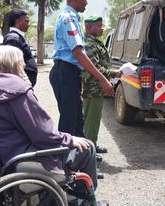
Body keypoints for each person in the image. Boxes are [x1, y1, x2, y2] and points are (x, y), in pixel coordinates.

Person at [0, 45, 99, 191]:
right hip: (21, 159)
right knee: (87, 148)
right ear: (15, 65)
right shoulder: (18, 89)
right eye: (22, 63)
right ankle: (83, 199)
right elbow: (44, 135)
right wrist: (70, 139)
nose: (25, 66)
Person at [49, 0, 114, 151]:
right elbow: (78, 53)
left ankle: (81, 162)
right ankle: (65, 166)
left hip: (70, 73)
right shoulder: (68, 19)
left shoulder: (73, 18)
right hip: (65, 72)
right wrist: (103, 80)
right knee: (69, 123)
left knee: (78, 121)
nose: (87, 2)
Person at [82, 15, 121, 155]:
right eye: (98, 25)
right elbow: (94, 67)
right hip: (91, 88)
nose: (102, 28)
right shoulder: (89, 44)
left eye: (101, 25)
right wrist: (114, 73)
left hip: (96, 87)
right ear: (88, 27)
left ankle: (92, 144)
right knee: (91, 120)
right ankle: (88, 151)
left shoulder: (94, 42)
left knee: (94, 119)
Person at [3, 9, 38, 86]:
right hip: (20, 84)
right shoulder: (13, 39)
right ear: (18, 21)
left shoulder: (18, 37)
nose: (28, 24)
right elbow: (12, 66)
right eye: (26, 21)